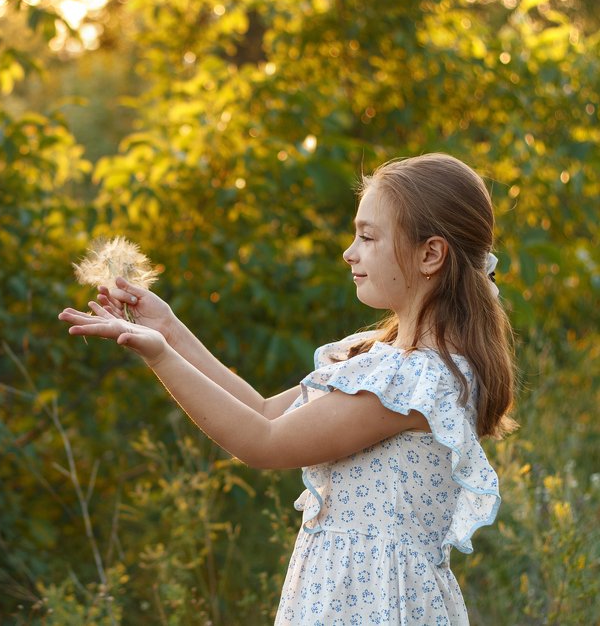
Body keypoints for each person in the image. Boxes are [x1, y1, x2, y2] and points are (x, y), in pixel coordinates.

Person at [58, 153, 516, 625]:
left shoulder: (416, 380)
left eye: (367, 236)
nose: (350, 252)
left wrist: (159, 355)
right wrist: (170, 331)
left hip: (376, 605)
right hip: (345, 596)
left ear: (430, 254)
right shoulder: (383, 361)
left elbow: (263, 442)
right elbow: (264, 412)